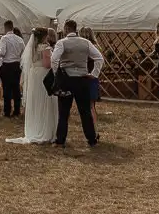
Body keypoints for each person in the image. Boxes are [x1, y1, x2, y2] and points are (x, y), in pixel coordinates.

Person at [51, 19, 103, 148]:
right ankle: (91, 140)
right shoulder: (85, 43)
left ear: (66, 29)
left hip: (66, 80)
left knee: (64, 112)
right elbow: (99, 58)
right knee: (85, 112)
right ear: (75, 29)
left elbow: (54, 59)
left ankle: (60, 140)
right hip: (82, 79)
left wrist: (56, 74)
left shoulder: (62, 43)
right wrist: (94, 74)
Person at [6, 27, 57, 144]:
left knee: (35, 101)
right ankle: (45, 130)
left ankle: (35, 127)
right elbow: (47, 64)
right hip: (43, 76)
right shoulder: (45, 47)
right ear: (45, 36)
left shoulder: (32, 48)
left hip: (34, 75)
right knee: (45, 101)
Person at [0, 21, 25, 117]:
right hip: (16, 65)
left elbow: (3, 52)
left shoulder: (4, 38)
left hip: (7, 65)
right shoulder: (20, 39)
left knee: (6, 88)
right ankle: (17, 110)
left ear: (5, 28)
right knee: (16, 88)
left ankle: (7, 110)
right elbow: (23, 52)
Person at [78, 26, 102, 127]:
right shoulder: (96, 46)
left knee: (89, 105)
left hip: (86, 76)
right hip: (92, 77)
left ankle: (92, 128)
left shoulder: (84, 47)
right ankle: (91, 127)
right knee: (90, 105)